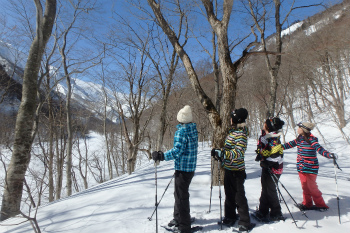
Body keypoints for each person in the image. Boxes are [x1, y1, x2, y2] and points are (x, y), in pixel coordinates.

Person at [152, 105, 199, 233]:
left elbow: (177, 151)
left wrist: (162, 156)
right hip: (189, 168)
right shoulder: (193, 129)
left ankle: (184, 226)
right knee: (179, 194)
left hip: (183, 169)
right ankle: (178, 218)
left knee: (181, 197)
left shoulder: (182, 132)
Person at [211, 108, 255, 232]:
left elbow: (239, 153)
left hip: (237, 170)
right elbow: (229, 148)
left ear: (236, 120)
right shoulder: (233, 132)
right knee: (229, 194)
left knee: (239, 196)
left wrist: (223, 154)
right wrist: (219, 152)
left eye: (232, 117)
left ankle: (245, 222)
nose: (230, 118)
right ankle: (230, 217)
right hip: (229, 168)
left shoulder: (241, 134)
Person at [282, 121, 336, 210]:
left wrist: (329, 155)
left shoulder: (312, 140)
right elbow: (289, 144)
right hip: (301, 167)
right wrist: (277, 147)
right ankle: (307, 204)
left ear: (303, 130)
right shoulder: (299, 139)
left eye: (299, 128)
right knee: (305, 187)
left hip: (311, 168)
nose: (298, 129)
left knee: (312, 187)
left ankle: (321, 205)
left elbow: (319, 149)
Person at [254, 117, 285, 221]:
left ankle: (276, 212)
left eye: (265, 124)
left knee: (270, 190)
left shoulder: (274, 138)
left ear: (269, 127)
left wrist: (267, 162)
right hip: (267, 167)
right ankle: (263, 210)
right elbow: (263, 148)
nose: (263, 124)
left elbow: (277, 155)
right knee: (265, 189)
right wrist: (260, 154)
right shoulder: (266, 136)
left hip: (274, 168)